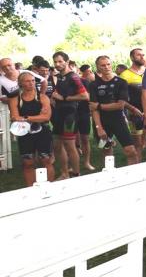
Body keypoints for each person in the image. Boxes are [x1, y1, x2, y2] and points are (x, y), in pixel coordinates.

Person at [90, 56, 138, 166]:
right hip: (102, 121)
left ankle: (134, 173)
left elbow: (120, 105)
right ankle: (110, 174)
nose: (106, 67)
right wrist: (99, 128)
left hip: (118, 120)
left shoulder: (121, 82)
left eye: (108, 64)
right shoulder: (94, 85)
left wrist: (99, 106)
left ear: (111, 65)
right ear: (97, 67)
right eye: (103, 65)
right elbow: (93, 109)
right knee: (106, 151)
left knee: (131, 150)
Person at [9, 71, 55, 185]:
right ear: (20, 83)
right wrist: (37, 117)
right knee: (27, 163)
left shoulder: (42, 97)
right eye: (27, 81)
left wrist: (25, 117)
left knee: (46, 160)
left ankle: (50, 187)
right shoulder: (15, 99)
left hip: (43, 132)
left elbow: (46, 117)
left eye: (33, 81)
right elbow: (15, 117)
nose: (31, 83)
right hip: (24, 134)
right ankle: (31, 189)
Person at [51, 51, 89, 179]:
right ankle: (65, 173)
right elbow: (59, 92)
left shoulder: (73, 77)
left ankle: (76, 174)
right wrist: (54, 97)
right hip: (58, 114)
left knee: (69, 145)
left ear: (67, 62)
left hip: (70, 115)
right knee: (57, 145)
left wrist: (64, 98)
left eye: (60, 61)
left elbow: (85, 96)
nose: (57, 64)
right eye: (55, 62)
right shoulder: (59, 76)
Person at [119, 48, 146, 157]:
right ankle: (137, 164)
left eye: (143, 54)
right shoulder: (124, 75)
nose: (142, 57)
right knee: (137, 143)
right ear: (132, 57)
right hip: (135, 112)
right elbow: (121, 98)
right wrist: (132, 110)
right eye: (139, 55)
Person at [77, 64, 95, 171]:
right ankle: (74, 164)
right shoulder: (66, 82)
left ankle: (86, 162)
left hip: (83, 113)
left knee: (85, 139)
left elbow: (88, 97)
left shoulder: (85, 82)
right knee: (70, 141)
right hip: (71, 114)